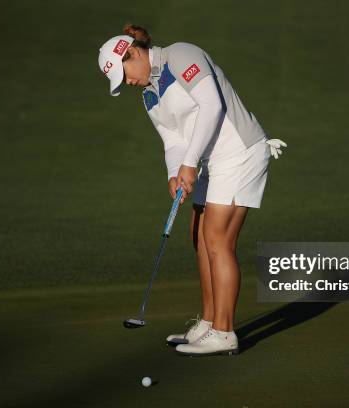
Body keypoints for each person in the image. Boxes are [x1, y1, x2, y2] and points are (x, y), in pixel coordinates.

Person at [98, 24, 286, 356]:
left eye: (124, 73)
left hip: (240, 151)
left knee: (217, 238)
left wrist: (190, 163)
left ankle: (225, 332)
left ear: (132, 53)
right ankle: (209, 323)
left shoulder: (181, 55)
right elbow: (173, 140)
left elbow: (212, 105)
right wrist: (176, 173)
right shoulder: (149, 94)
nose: (126, 82)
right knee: (198, 235)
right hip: (209, 162)